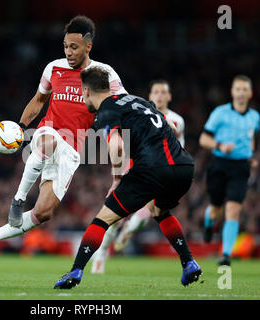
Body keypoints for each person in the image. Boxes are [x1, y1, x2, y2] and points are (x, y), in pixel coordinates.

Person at [0, 16, 127, 267]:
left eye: (74, 47)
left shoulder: (104, 73)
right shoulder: (54, 68)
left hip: (74, 148)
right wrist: (21, 127)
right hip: (48, 132)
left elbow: (124, 103)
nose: (68, 52)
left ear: (88, 47)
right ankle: (18, 200)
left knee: (43, 213)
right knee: (48, 141)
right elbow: (39, 100)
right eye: (65, 46)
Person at [54, 67, 202, 289]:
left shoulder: (106, 111)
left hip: (152, 169)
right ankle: (189, 262)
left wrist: (117, 178)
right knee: (158, 210)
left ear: (86, 91)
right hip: (184, 167)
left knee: (103, 219)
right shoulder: (138, 100)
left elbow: (117, 146)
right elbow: (170, 125)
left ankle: (76, 271)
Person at [91, 79, 186, 274]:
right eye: (156, 92)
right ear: (150, 96)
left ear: (169, 96)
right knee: (116, 216)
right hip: (135, 164)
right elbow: (122, 142)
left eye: (163, 92)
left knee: (152, 210)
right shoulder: (138, 111)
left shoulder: (177, 121)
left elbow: (179, 147)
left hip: (162, 168)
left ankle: (129, 230)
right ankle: (101, 254)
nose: (159, 95)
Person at [199, 75, 259, 266]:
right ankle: (209, 224)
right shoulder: (220, 113)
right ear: (232, 92)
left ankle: (225, 254)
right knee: (216, 209)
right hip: (219, 163)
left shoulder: (254, 117)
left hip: (241, 167)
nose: (241, 92)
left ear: (250, 93)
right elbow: (203, 139)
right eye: (237, 89)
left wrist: (250, 155)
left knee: (233, 209)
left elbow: (251, 137)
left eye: (244, 89)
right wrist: (220, 145)